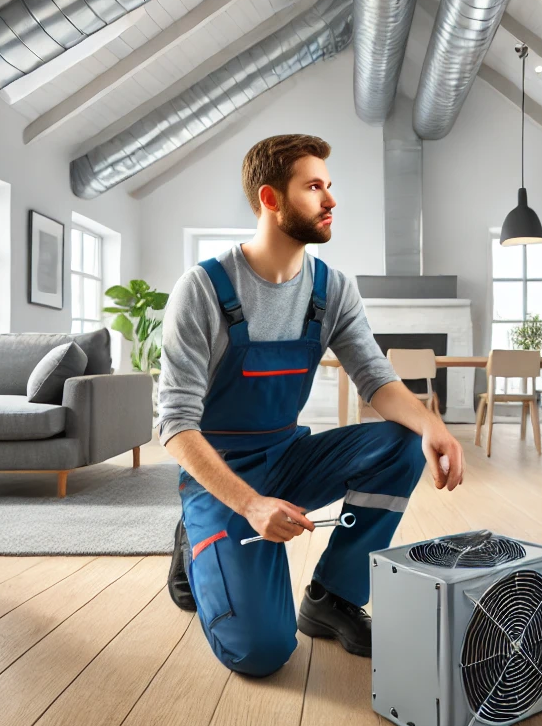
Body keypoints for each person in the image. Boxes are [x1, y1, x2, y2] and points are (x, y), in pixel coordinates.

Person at [160, 133, 465, 678]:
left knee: (403, 440)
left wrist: (431, 426)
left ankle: (333, 597)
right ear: (271, 198)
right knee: (260, 652)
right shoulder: (202, 289)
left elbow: (376, 379)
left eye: (329, 186)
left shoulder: (332, 289)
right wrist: (251, 505)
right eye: (314, 187)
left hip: (288, 459)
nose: (331, 200)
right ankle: (195, 539)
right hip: (223, 476)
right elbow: (176, 424)